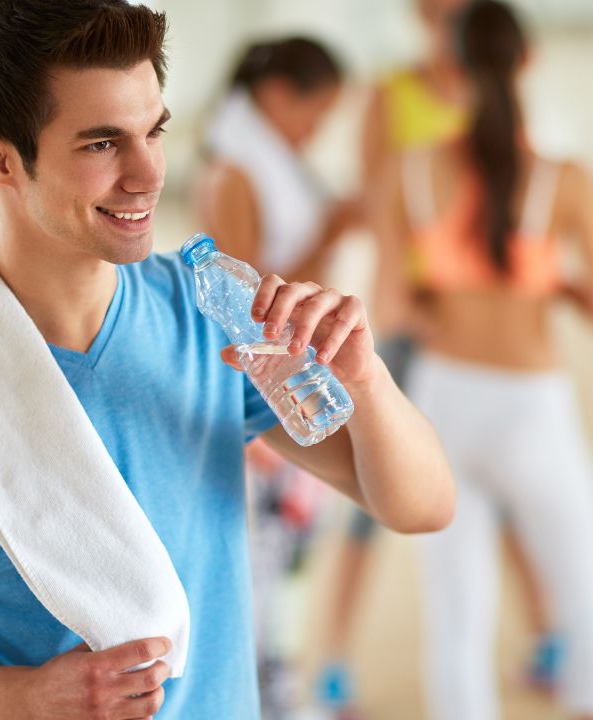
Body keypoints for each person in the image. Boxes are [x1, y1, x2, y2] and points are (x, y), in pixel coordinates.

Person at [0, 3, 455, 719]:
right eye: (102, 144)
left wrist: (365, 377)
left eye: (154, 132)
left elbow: (421, 504)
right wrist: (25, 698)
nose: (147, 174)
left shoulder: (208, 318)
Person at [378, 2, 593, 718]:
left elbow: (391, 309)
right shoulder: (567, 182)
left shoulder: (412, 174)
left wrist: (444, 291)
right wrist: (560, 284)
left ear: (449, 69)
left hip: (442, 405)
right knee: (586, 605)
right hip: (533, 409)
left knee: (457, 622)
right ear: (530, 61)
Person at [315, 1, 561, 711]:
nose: (448, 20)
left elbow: (512, 216)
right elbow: (375, 204)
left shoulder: (498, 93)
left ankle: (546, 633)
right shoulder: (390, 96)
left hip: (480, 328)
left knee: (497, 480)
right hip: (404, 323)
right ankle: (333, 659)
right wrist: (409, 297)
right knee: (365, 492)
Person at [197, 36, 356, 717]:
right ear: (277, 97)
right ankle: (271, 702)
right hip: (268, 394)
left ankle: (280, 694)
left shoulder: (270, 161)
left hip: (298, 383)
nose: (316, 131)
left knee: (288, 556)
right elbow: (248, 308)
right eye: (314, 113)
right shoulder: (234, 174)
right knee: (264, 569)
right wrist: (335, 230)